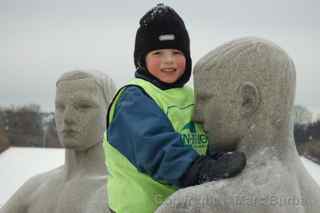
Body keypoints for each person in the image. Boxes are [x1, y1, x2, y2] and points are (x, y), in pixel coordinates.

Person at [103, 4, 246, 213]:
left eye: (176, 52)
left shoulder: (193, 96)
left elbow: (214, 136)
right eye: (158, 53)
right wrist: (198, 170)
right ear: (142, 59)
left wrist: (221, 158)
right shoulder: (133, 98)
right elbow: (154, 146)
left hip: (187, 206)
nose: (168, 60)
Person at [1, 70, 116, 213]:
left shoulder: (123, 194)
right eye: (60, 107)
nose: (67, 118)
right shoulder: (35, 187)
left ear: (112, 112)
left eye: (84, 106)